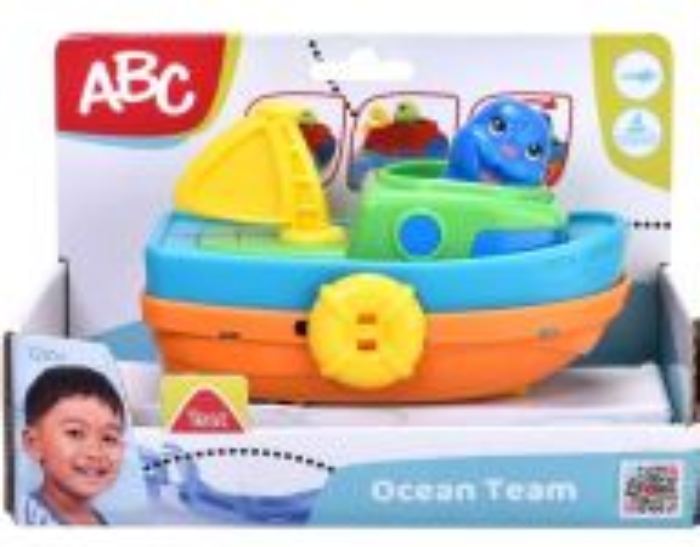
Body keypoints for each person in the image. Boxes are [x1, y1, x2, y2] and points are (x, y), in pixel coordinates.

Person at [21, 366, 126, 525]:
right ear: (33, 444)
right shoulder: (24, 518)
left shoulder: (103, 522)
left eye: (108, 438)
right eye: (75, 433)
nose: (95, 452)